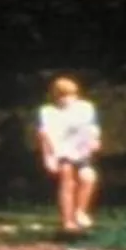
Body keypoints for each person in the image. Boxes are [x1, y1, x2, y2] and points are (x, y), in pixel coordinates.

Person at [37, 76, 102, 234]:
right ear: (56, 96)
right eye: (63, 96)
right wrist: (48, 157)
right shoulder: (48, 112)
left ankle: (80, 211)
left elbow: (92, 128)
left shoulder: (85, 108)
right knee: (67, 181)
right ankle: (67, 221)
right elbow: (44, 135)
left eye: (71, 95)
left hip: (80, 150)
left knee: (89, 178)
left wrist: (95, 140)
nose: (68, 100)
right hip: (61, 150)